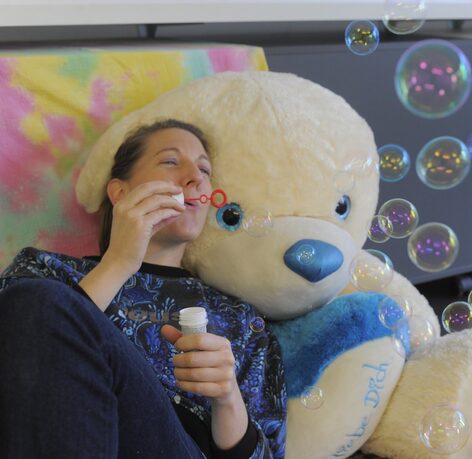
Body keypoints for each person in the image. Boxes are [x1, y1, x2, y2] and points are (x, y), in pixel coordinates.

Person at [0, 119, 286, 459]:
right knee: (39, 303)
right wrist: (118, 262)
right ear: (119, 192)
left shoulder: (242, 319)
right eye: (170, 161)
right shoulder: (43, 272)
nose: (195, 178)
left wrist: (227, 399)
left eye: (204, 170)